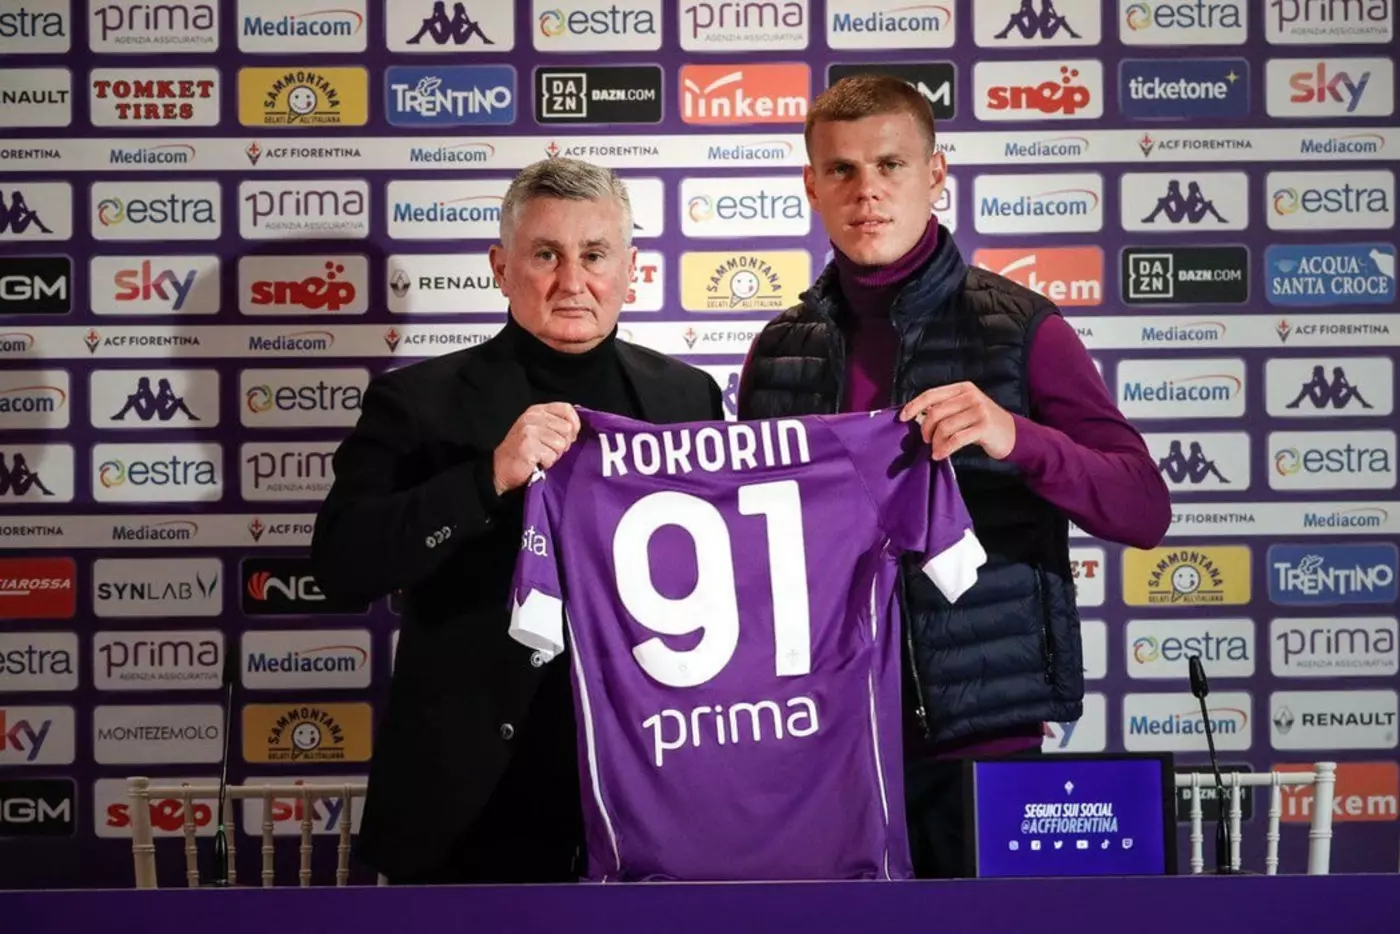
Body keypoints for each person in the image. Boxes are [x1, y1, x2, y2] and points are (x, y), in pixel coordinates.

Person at [736, 74, 1172, 878]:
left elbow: (1144, 508)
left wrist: (1017, 437)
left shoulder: (1022, 330)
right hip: (821, 742)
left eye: (891, 165)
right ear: (811, 185)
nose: (867, 191)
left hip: (979, 742)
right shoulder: (779, 350)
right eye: (841, 170)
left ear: (935, 174)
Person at [311, 157, 723, 885]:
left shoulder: (688, 399)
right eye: (545, 255)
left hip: (646, 787)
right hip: (472, 804)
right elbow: (341, 566)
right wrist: (486, 479)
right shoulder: (417, 404)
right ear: (501, 268)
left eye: (594, 255)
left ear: (631, 269)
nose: (572, 281)